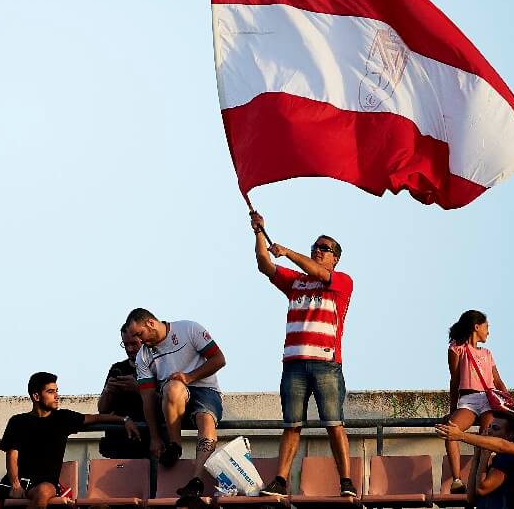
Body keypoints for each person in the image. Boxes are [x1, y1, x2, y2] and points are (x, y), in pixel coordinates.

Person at [249, 211, 356, 498]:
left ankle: (346, 481)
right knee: (291, 425)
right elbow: (264, 265)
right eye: (315, 247)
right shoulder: (295, 282)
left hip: (326, 363)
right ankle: (280, 481)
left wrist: (288, 251)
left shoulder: (340, 281)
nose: (318, 251)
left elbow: (318, 272)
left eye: (324, 248)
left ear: (335, 258)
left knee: (334, 424)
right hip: (294, 363)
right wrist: (259, 232)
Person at [0, 372, 140, 509]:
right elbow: (12, 455)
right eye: (50, 392)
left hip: (45, 483)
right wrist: (15, 484)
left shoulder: (63, 418)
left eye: (57, 391)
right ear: (36, 396)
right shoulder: (18, 421)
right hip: (15, 483)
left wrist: (124, 420)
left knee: (43, 493)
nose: (57, 396)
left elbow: (95, 418)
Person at [123, 308, 226, 494]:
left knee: (206, 420)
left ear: (151, 323)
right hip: (173, 399)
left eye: (140, 334)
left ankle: (196, 481)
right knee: (173, 386)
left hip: (205, 390)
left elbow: (219, 359)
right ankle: (175, 445)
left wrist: (189, 377)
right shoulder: (143, 356)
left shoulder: (189, 329)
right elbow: (147, 398)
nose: (140, 341)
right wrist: (154, 437)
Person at [444, 310, 511, 492]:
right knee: (451, 430)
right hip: (468, 399)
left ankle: (481, 478)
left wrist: (510, 404)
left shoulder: (487, 353)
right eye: (486, 327)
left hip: (488, 400)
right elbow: (455, 380)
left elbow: (497, 381)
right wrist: (452, 409)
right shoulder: (457, 348)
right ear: (476, 326)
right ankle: (457, 480)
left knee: (486, 436)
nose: (488, 331)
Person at [97, 323, 151, 459]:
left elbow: (166, 404)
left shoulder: (158, 367)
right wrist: (109, 391)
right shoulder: (118, 368)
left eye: (133, 344)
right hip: (119, 444)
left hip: (149, 443)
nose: (129, 349)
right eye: (125, 344)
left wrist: (139, 389)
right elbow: (102, 410)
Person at [467, 412, 514, 509]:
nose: (489, 431)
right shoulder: (497, 459)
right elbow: (471, 498)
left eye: (495, 428)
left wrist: (485, 457)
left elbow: (481, 489)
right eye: (489, 427)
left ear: (509, 435)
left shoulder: (510, 458)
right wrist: (477, 454)